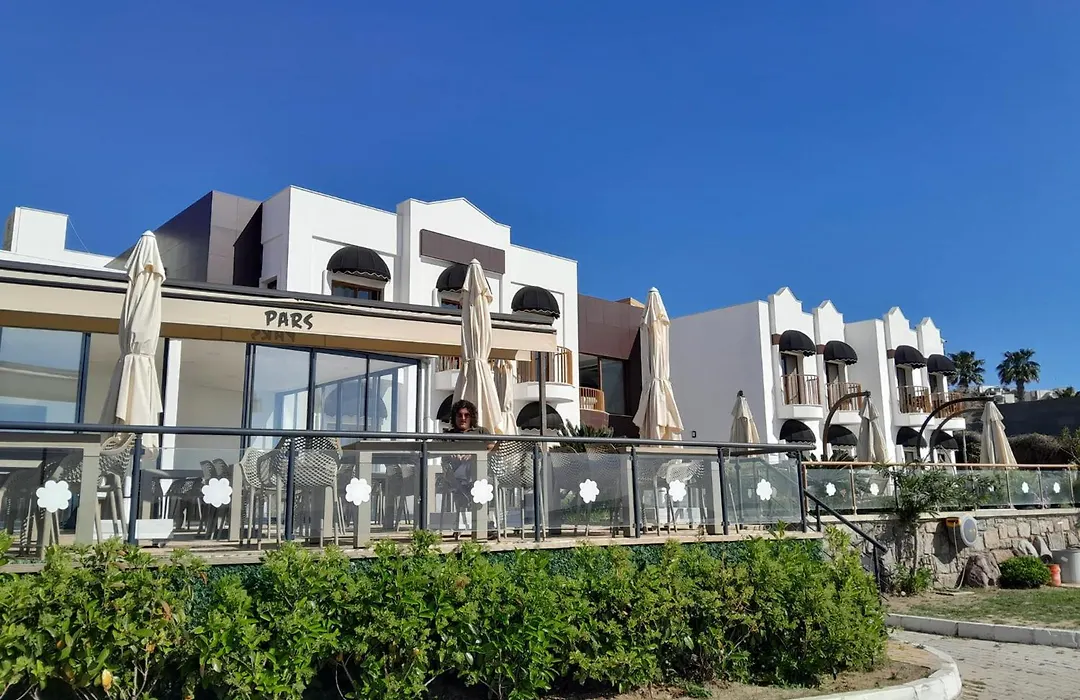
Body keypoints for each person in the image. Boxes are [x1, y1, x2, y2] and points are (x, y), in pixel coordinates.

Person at [442, 399, 496, 536]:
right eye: (459, 415)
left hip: (478, 474)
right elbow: (434, 449)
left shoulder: (481, 432)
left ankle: (467, 496)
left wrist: (474, 455)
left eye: (466, 415)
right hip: (454, 476)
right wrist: (449, 452)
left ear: (472, 417)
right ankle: (485, 524)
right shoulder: (448, 435)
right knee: (480, 484)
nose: (463, 418)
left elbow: (493, 448)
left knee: (479, 480)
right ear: (454, 417)